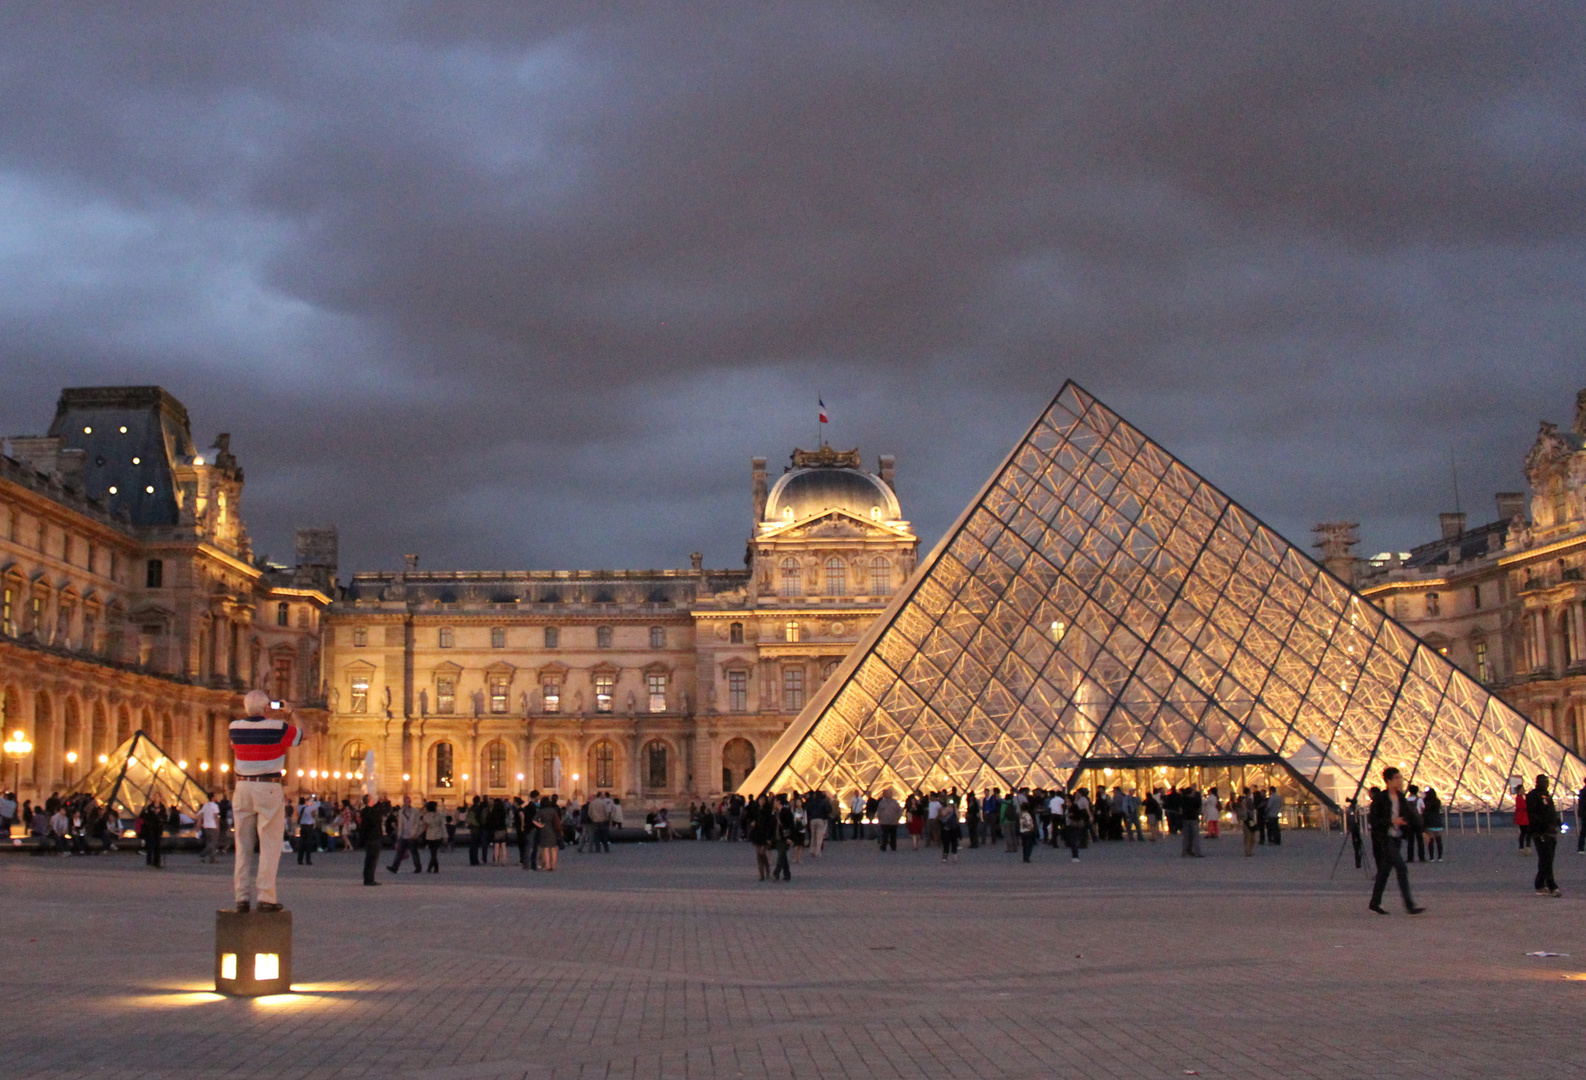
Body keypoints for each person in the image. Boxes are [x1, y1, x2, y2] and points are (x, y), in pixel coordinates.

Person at [229, 690, 303, 913]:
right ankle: (265, 897)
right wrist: (289, 711)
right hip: (268, 787)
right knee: (270, 845)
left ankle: (241, 897)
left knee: (242, 845)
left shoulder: (234, 727)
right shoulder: (277, 728)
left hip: (242, 787)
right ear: (266, 707)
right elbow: (304, 734)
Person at [1368, 767, 1424, 915]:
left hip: (1397, 837)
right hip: (1385, 838)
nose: (1401, 781)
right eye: (1398, 778)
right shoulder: (1380, 798)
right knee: (1401, 868)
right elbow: (1373, 820)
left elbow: (1410, 816)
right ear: (1389, 781)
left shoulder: (1400, 797)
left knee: (1384, 872)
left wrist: (1422, 830)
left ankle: (1374, 902)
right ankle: (1409, 905)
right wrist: (1392, 821)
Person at [1526, 775, 1561, 897]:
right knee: (1546, 858)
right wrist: (1545, 825)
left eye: (1547, 782)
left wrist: (1557, 821)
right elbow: (1532, 814)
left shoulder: (1547, 795)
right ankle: (1552, 886)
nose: (1546, 784)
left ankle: (1540, 884)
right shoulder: (1532, 796)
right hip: (1540, 832)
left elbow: (1550, 811)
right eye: (1543, 782)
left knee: (1547, 859)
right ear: (1537, 782)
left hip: (1551, 831)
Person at [388, 796, 423, 873]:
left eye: (409, 801)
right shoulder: (401, 811)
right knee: (399, 852)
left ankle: (418, 867)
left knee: (414, 852)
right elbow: (400, 823)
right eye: (407, 801)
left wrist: (416, 833)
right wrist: (399, 834)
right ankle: (395, 867)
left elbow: (417, 823)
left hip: (412, 835)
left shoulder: (415, 811)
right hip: (403, 834)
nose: (408, 803)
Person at [357, 795, 383, 886]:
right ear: (369, 801)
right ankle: (370, 879)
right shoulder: (372, 812)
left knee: (368, 859)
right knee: (373, 859)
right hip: (374, 837)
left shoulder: (364, 811)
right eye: (372, 799)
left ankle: (367, 878)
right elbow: (376, 821)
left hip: (368, 837)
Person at [773, 796, 795, 881]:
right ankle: (787, 874)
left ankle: (776, 873)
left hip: (784, 836)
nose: (774, 803)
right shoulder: (777, 812)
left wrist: (790, 837)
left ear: (778, 801)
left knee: (781, 855)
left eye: (775, 801)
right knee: (783, 856)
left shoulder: (785, 811)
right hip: (778, 836)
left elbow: (789, 825)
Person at [421, 800, 447, 872]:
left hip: (429, 835)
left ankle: (432, 868)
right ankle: (435, 867)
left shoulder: (426, 816)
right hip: (438, 835)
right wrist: (445, 836)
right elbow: (442, 826)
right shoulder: (439, 815)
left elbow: (423, 826)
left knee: (433, 852)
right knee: (434, 852)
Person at [140, 797, 165, 868]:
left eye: (157, 796)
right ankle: (149, 861)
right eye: (155, 796)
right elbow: (144, 816)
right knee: (150, 845)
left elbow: (164, 816)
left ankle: (157, 862)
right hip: (150, 828)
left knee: (158, 845)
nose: (157, 798)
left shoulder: (162, 807)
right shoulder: (149, 807)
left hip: (158, 828)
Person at [1179, 785, 1203, 858]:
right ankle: (1197, 852)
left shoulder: (1183, 800)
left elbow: (1180, 809)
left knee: (1186, 837)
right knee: (1195, 836)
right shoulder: (1195, 800)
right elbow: (1199, 806)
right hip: (1193, 819)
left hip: (1185, 819)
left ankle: (1185, 852)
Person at [1421, 787, 1444, 862]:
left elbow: (1425, 811)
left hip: (1430, 822)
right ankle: (1440, 857)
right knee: (1439, 840)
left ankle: (1431, 858)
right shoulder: (1437, 801)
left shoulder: (1425, 801)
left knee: (1431, 841)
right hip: (1438, 822)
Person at [295, 794, 318, 866]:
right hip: (309, 826)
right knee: (308, 843)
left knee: (301, 843)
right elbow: (313, 815)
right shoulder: (308, 808)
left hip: (302, 826)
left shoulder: (299, 807)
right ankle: (308, 860)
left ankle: (300, 859)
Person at [198, 793, 221, 864]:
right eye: (215, 796)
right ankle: (203, 853)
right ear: (212, 798)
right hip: (213, 826)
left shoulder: (205, 806)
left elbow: (201, 815)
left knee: (209, 842)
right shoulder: (215, 806)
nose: (216, 798)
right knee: (213, 843)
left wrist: (199, 825)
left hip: (206, 826)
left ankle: (212, 859)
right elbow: (216, 816)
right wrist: (218, 826)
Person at [807, 789, 830, 856]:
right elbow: (828, 810)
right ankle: (818, 852)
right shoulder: (823, 802)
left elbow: (808, 810)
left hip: (812, 819)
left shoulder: (811, 802)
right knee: (819, 836)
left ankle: (812, 850)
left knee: (813, 836)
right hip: (820, 819)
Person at [938, 797, 961, 863]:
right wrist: (948, 808)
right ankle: (945, 857)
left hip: (954, 828)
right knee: (946, 843)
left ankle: (955, 857)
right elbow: (943, 814)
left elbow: (958, 816)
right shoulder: (945, 808)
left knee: (954, 842)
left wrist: (955, 808)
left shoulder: (955, 809)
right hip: (946, 828)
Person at [1345, 797, 1363, 869]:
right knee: (1356, 844)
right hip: (1354, 828)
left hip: (1355, 828)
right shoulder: (1351, 810)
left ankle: (1358, 860)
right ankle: (1358, 861)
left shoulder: (1353, 809)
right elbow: (1351, 819)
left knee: (1358, 845)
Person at [1512, 783, 1530, 854]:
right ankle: (1524, 847)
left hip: (1524, 817)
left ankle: (1524, 847)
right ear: (1519, 791)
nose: (1524, 791)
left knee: (1526, 832)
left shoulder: (1522, 797)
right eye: (1522, 790)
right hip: (1522, 817)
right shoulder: (1519, 798)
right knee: (1524, 832)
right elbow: (1522, 806)